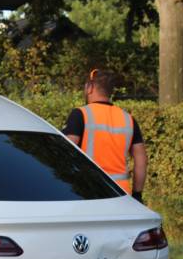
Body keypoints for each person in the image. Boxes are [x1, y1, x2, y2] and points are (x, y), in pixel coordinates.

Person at [63, 69, 147, 203]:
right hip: (121, 194)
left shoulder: (80, 114)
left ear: (90, 88)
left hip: (88, 192)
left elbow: (65, 151)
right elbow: (141, 160)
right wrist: (137, 194)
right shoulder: (128, 119)